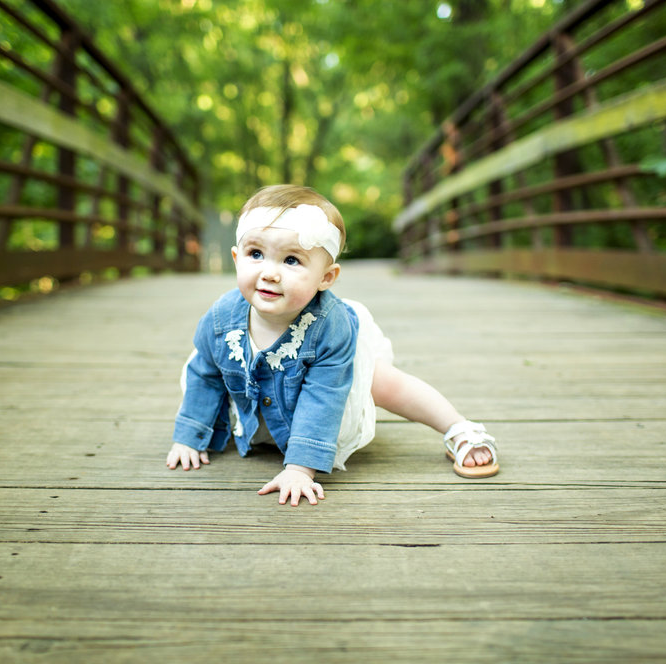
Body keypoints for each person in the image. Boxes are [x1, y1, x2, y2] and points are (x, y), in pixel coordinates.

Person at [166, 185, 498, 506]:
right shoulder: (221, 318)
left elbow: (324, 395)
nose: (269, 273)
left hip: (326, 397)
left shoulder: (329, 326)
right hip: (256, 402)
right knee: (208, 360)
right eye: (256, 254)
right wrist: (189, 436)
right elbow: (205, 375)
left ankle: (457, 428)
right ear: (237, 259)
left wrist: (299, 469)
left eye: (292, 260)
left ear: (326, 277)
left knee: (380, 381)